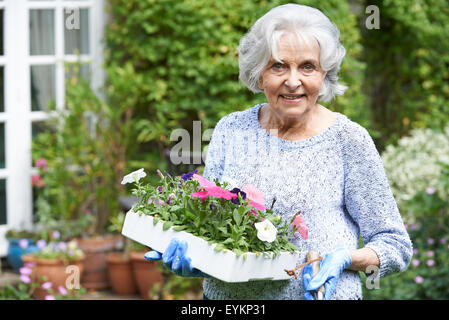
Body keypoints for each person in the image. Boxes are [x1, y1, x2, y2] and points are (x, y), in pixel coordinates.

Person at [145, 3, 413, 300]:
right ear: (260, 75)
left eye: (307, 66)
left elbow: (394, 244)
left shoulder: (348, 139)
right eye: (278, 66)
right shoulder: (230, 129)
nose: (293, 81)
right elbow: (210, 228)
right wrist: (196, 259)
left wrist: (346, 259)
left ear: (324, 75)